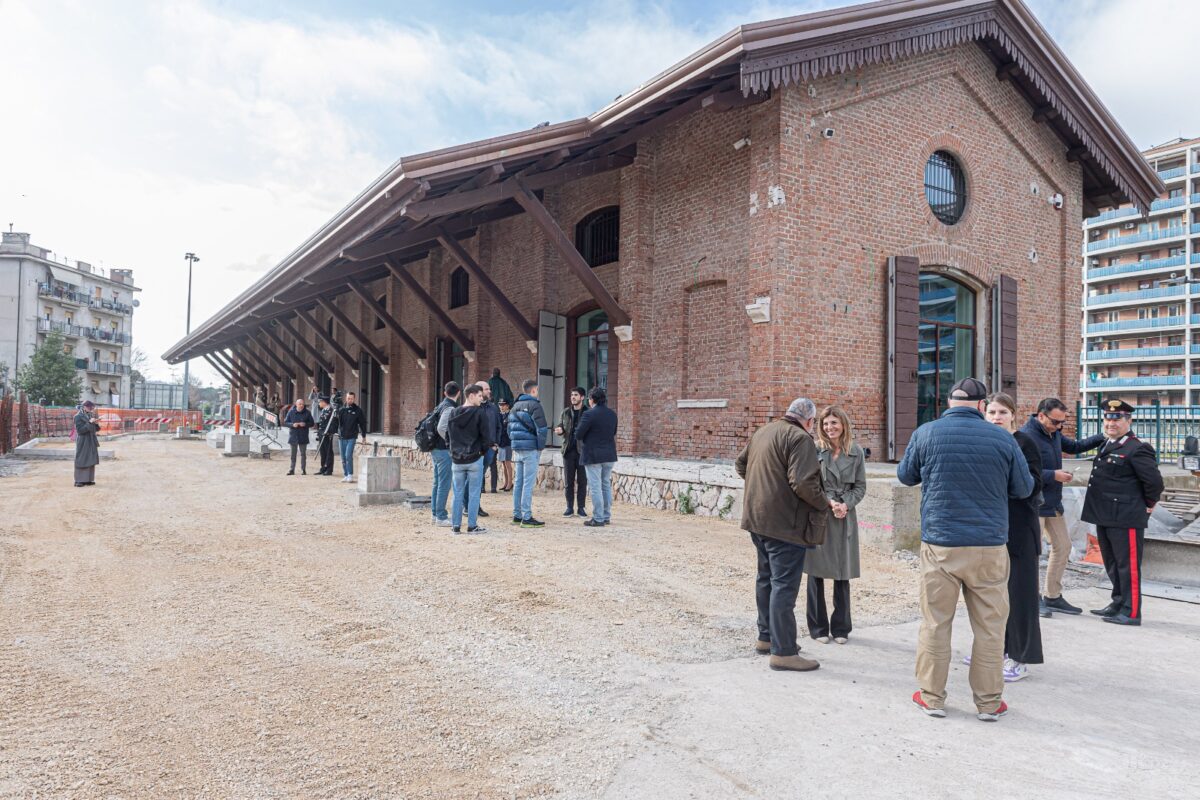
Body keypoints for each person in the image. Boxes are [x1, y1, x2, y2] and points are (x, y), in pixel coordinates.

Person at [897, 377, 1034, 722]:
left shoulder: (926, 432)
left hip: (941, 544)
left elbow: (905, 475)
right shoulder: (1003, 438)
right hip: (988, 545)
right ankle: (989, 703)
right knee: (990, 627)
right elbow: (1023, 488)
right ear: (981, 405)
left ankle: (931, 697)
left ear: (948, 401)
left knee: (935, 622)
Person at [735, 397, 831, 673]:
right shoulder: (800, 439)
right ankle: (784, 651)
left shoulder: (764, 431)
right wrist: (824, 502)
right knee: (783, 586)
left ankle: (766, 638)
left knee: (766, 579)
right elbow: (802, 482)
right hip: (784, 525)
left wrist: (764, 489)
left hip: (757, 520)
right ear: (810, 421)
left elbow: (741, 465)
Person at [1081, 399, 1164, 627]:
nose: (1111, 423)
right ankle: (1118, 602)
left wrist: (1148, 504)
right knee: (1112, 563)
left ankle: (1131, 611)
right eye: (1107, 418)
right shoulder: (1107, 444)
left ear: (1129, 420)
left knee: (1128, 565)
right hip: (1105, 514)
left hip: (1126, 516)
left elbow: (1154, 482)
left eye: (1117, 419)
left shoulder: (1137, 447)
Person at [1019, 398, 1104, 616]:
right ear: (1041, 416)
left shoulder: (1054, 433)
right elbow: (1022, 473)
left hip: (1052, 502)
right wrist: (1053, 475)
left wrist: (1104, 436)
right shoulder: (1025, 436)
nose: (1059, 427)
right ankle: (1031, 599)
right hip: (1033, 503)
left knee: (1063, 546)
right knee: (1032, 552)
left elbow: (1075, 447)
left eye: (1062, 423)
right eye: (1055, 422)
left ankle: (1052, 596)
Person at [985, 393, 1044, 682]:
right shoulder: (985, 441)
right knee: (994, 596)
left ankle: (1021, 657)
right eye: (992, 412)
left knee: (1021, 597)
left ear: (1013, 415)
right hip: (992, 530)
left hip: (1019, 529)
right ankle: (998, 650)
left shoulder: (1024, 442)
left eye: (1002, 412)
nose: (996, 417)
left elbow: (1033, 484)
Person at [804, 406, 866, 645]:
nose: (829, 428)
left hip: (844, 516)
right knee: (816, 571)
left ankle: (841, 628)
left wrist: (845, 505)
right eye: (825, 424)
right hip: (821, 513)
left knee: (843, 572)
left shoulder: (856, 452)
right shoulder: (816, 449)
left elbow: (860, 486)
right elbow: (810, 483)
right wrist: (829, 502)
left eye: (834, 423)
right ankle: (818, 627)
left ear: (843, 424)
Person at [445, 384, 495, 533]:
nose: (482, 398)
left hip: (457, 460)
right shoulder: (480, 413)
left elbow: (448, 436)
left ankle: (456, 526)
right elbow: (487, 437)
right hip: (474, 459)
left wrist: (452, 451)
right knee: (473, 494)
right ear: (471, 396)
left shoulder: (454, 413)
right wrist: (482, 452)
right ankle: (472, 526)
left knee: (457, 493)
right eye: (479, 396)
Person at [508, 379, 548, 528]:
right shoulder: (535, 405)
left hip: (517, 448)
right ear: (533, 390)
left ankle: (517, 515)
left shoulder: (514, 406)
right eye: (537, 390)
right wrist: (540, 447)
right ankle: (527, 516)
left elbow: (509, 428)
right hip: (530, 448)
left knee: (518, 482)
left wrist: (514, 442)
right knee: (528, 483)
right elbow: (542, 429)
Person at [576, 386, 618, 528]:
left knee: (595, 487)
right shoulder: (612, 414)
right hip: (609, 454)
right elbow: (613, 432)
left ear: (592, 399)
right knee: (605, 485)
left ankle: (598, 518)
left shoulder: (589, 414)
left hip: (593, 454)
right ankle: (606, 516)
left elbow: (578, 434)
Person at [429, 382, 460, 526]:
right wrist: (449, 442)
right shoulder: (450, 407)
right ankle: (441, 516)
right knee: (444, 484)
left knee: (437, 482)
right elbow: (442, 428)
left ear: (444, 393)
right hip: (443, 450)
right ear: (459, 393)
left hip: (435, 449)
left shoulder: (441, 405)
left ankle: (435, 514)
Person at [555, 386, 589, 517]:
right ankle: (569, 507)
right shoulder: (566, 412)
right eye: (572, 395)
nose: (573, 397)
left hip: (583, 451)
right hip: (568, 450)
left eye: (575, 395)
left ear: (582, 397)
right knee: (568, 481)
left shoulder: (588, 412)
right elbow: (561, 426)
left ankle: (581, 508)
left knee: (582, 481)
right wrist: (560, 430)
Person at [335, 390, 369, 483]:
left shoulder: (358, 410)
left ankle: (350, 474)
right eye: (348, 398)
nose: (349, 400)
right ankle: (345, 474)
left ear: (354, 399)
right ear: (346, 398)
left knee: (348, 455)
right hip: (342, 437)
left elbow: (362, 423)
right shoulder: (341, 410)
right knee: (343, 457)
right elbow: (337, 423)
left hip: (352, 437)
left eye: (351, 398)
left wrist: (364, 436)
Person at [283, 398, 315, 475]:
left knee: (303, 454)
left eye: (302, 404)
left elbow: (312, 423)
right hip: (293, 435)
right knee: (293, 454)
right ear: (296, 404)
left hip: (303, 436)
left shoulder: (307, 412)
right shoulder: (291, 412)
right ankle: (291, 469)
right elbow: (286, 422)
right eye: (300, 404)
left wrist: (305, 424)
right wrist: (292, 425)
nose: (301, 406)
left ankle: (303, 470)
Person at [73, 401, 101, 487]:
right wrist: (90, 423)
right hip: (83, 440)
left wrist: (96, 424)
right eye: (89, 407)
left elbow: (95, 429)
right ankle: (79, 480)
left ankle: (88, 479)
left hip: (91, 440)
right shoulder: (77, 417)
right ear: (84, 407)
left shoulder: (90, 415)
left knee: (90, 459)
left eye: (91, 407)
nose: (91, 409)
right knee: (82, 459)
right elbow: (80, 430)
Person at [314, 395, 335, 476]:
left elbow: (334, 423)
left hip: (327, 434)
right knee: (323, 452)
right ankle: (323, 468)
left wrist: (329, 432)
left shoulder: (331, 411)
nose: (319, 403)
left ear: (324, 402)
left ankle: (329, 469)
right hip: (321, 433)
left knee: (328, 451)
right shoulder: (324, 410)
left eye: (320, 402)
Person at [497, 398, 514, 491]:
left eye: (503, 405)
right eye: (500, 405)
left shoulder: (510, 415)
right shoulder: (500, 415)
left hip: (507, 441)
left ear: (507, 405)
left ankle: (510, 483)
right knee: (503, 463)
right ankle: (506, 482)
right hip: (501, 442)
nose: (501, 407)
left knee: (507, 463)